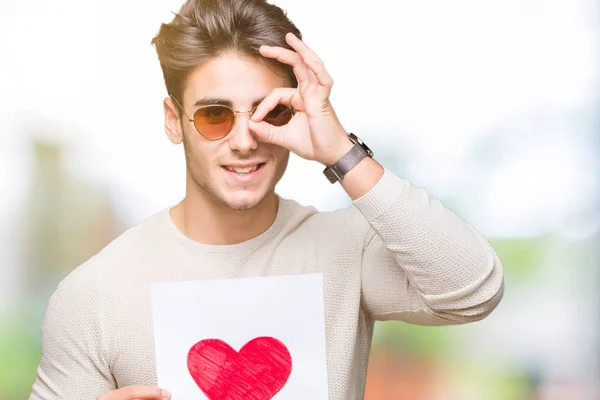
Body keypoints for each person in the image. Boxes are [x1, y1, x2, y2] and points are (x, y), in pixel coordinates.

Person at [29, 0, 504, 399]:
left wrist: (340, 149)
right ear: (174, 121)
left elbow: (474, 290)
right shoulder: (94, 294)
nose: (243, 141)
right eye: (214, 115)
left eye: (267, 112)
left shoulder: (347, 251)